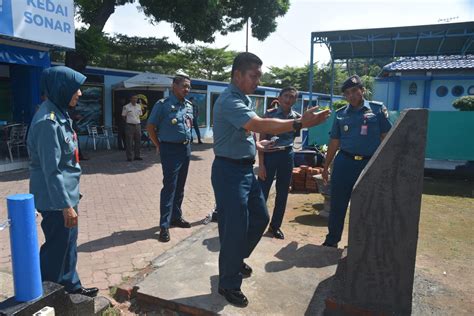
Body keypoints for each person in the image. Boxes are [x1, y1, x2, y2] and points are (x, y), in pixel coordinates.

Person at [212, 52, 330, 307]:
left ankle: (233, 261)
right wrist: (299, 123)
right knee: (235, 228)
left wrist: (258, 143)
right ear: (237, 75)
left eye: (259, 76)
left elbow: (247, 130)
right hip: (229, 172)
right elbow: (257, 123)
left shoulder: (242, 98)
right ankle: (227, 284)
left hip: (244, 170)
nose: (257, 81)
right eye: (253, 76)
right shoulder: (229, 100)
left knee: (260, 218)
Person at [27, 66, 98, 297]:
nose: (79, 93)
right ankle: (48, 295)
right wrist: (65, 205)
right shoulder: (48, 122)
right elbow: (52, 170)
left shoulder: (60, 114)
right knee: (56, 249)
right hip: (56, 200)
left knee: (68, 246)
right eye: (75, 88)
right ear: (61, 88)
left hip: (67, 195)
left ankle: (72, 287)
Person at [321, 75, 392, 248]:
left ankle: (361, 243)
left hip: (369, 164)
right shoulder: (340, 115)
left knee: (367, 204)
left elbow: (386, 138)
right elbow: (334, 142)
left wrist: (388, 165)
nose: (351, 96)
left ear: (362, 90)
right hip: (345, 163)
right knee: (338, 203)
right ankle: (332, 240)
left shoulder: (377, 110)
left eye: (354, 91)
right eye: (347, 93)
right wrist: (326, 166)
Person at [147, 74, 194, 243]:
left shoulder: (188, 105)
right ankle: (164, 225)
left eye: (188, 87)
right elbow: (150, 126)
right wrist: (158, 144)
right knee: (169, 187)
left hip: (185, 148)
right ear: (174, 86)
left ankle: (176, 216)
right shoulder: (163, 105)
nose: (187, 90)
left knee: (180, 186)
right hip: (170, 149)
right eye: (184, 86)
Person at [257, 87, 301, 240]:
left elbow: (294, 137)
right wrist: (261, 164)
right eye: (286, 96)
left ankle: (275, 227)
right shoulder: (269, 115)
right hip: (270, 155)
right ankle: (256, 224)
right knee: (261, 192)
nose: (289, 99)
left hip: (287, 156)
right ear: (280, 97)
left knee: (282, 193)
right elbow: (261, 140)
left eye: (292, 97)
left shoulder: (297, 118)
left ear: (295, 100)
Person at [122, 95, 143, 161]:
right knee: (129, 142)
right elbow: (123, 116)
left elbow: (140, 115)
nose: (135, 99)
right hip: (129, 126)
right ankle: (129, 157)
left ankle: (137, 156)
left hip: (138, 125)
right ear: (130, 99)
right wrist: (128, 122)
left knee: (138, 141)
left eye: (136, 98)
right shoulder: (126, 107)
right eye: (133, 98)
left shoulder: (139, 106)